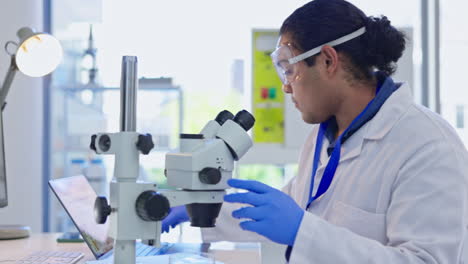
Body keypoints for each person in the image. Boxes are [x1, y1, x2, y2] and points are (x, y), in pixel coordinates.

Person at [162, 0, 468, 263]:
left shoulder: (428, 146)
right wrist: (197, 209)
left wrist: (302, 231)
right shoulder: (324, 139)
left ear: (327, 60)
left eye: (288, 68)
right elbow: (285, 211)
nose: (284, 85)